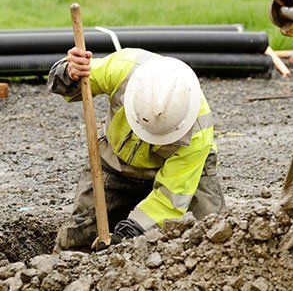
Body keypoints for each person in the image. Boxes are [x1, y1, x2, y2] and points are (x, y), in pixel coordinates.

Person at [47, 47, 225, 251]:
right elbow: (77, 83)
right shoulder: (124, 68)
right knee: (78, 239)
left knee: (213, 238)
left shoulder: (198, 134)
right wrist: (70, 72)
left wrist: (127, 234)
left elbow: (170, 200)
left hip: (184, 176)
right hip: (116, 164)